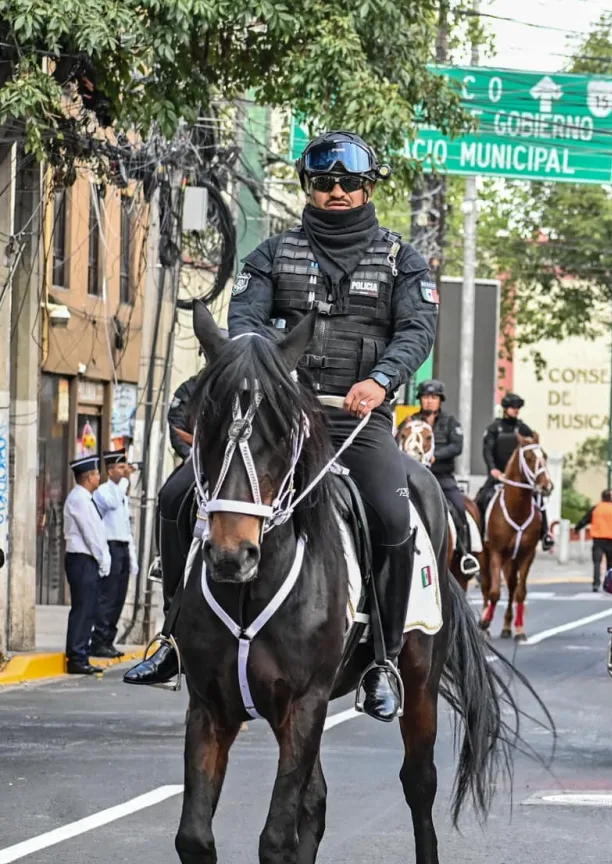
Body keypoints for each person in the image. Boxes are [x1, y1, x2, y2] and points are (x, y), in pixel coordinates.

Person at [127, 130, 437, 723]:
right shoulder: (270, 255)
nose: (337, 191)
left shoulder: (404, 261)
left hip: (357, 417)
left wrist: (383, 380)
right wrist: (268, 378)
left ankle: (383, 660)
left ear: (368, 187)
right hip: (277, 415)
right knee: (174, 496)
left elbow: (416, 331)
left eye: (349, 182)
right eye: (325, 182)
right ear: (309, 188)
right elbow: (243, 325)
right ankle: (171, 637)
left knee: (394, 517)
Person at [399, 379, 470, 557]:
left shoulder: (451, 422)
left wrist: (434, 455)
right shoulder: (409, 422)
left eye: (433, 397)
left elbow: (457, 446)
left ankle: (464, 553)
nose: (429, 401)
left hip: (441, 477)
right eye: (425, 397)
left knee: (460, 508)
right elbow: (396, 442)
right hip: (412, 478)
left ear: (440, 400)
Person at [475, 393, 554, 550]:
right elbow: (488, 451)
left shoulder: (523, 428)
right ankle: (480, 537)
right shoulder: (494, 428)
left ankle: (546, 534)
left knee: (539, 500)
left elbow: (533, 449)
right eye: (512, 407)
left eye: (518, 408)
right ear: (505, 409)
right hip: (498, 475)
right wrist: (493, 469)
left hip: (521, 478)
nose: (516, 410)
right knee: (481, 499)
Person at [64, 455, 111, 676]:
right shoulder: (79, 499)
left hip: (87, 560)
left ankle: (80, 655)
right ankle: (76, 657)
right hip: (82, 559)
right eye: (96, 474)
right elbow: (90, 533)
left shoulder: (85, 498)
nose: (98, 477)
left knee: (89, 609)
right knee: (83, 610)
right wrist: (102, 559)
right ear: (89, 477)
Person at [90, 450, 137, 658]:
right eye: (119, 467)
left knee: (119, 597)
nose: (123, 470)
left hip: (123, 548)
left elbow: (126, 528)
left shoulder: (121, 494)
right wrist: (125, 482)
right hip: (109, 547)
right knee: (107, 597)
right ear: (110, 471)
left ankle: (108, 640)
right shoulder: (104, 492)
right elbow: (111, 504)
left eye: (124, 467)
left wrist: (132, 557)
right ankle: (99, 640)